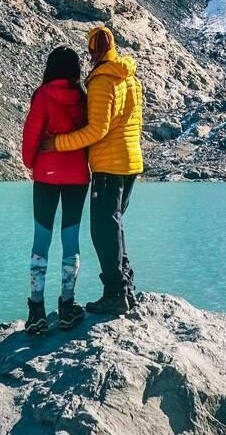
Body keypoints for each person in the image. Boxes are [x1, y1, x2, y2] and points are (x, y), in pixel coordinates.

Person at [40, 25, 143, 316]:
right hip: (130, 162)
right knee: (115, 226)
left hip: (109, 166)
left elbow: (97, 130)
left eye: (90, 50)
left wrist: (57, 144)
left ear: (94, 50)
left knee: (102, 229)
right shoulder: (130, 77)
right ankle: (126, 289)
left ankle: (114, 294)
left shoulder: (101, 80)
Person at [20, 46, 91, 335]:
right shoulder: (84, 98)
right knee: (71, 240)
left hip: (46, 175)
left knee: (42, 239)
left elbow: (31, 134)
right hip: (77, 176)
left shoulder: (44, 94)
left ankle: (37, 310)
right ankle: (67, 307)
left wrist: (31, 163)